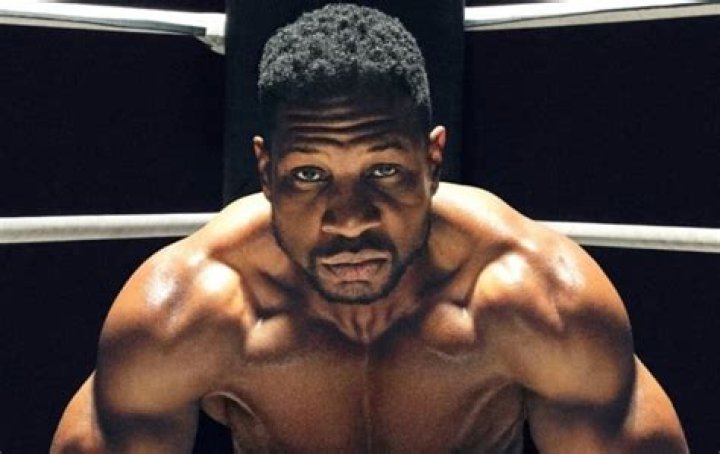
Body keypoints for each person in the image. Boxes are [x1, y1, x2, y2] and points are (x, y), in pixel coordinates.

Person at [51, 4, 687, 452]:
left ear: (432, 161)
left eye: (383, 171)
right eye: (309, 176)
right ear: (266, 173)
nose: (349, 219)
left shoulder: (539, 302)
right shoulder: (185, 314)